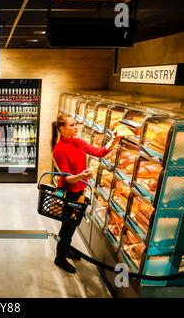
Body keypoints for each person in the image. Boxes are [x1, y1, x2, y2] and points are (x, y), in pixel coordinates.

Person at [51, 114, 121, 273]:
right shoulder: (59, 150)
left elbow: (99, 152)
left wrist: (114, 141)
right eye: (72, 125)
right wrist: (82, 176)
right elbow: (67, 178)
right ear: (62, 129)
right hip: (68, 193)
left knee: (73, 224)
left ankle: (65, 250)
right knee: (66, 227)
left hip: (79, 191)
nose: (76, 127)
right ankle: (59, 257)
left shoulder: (78, 141)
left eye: (76, 125)